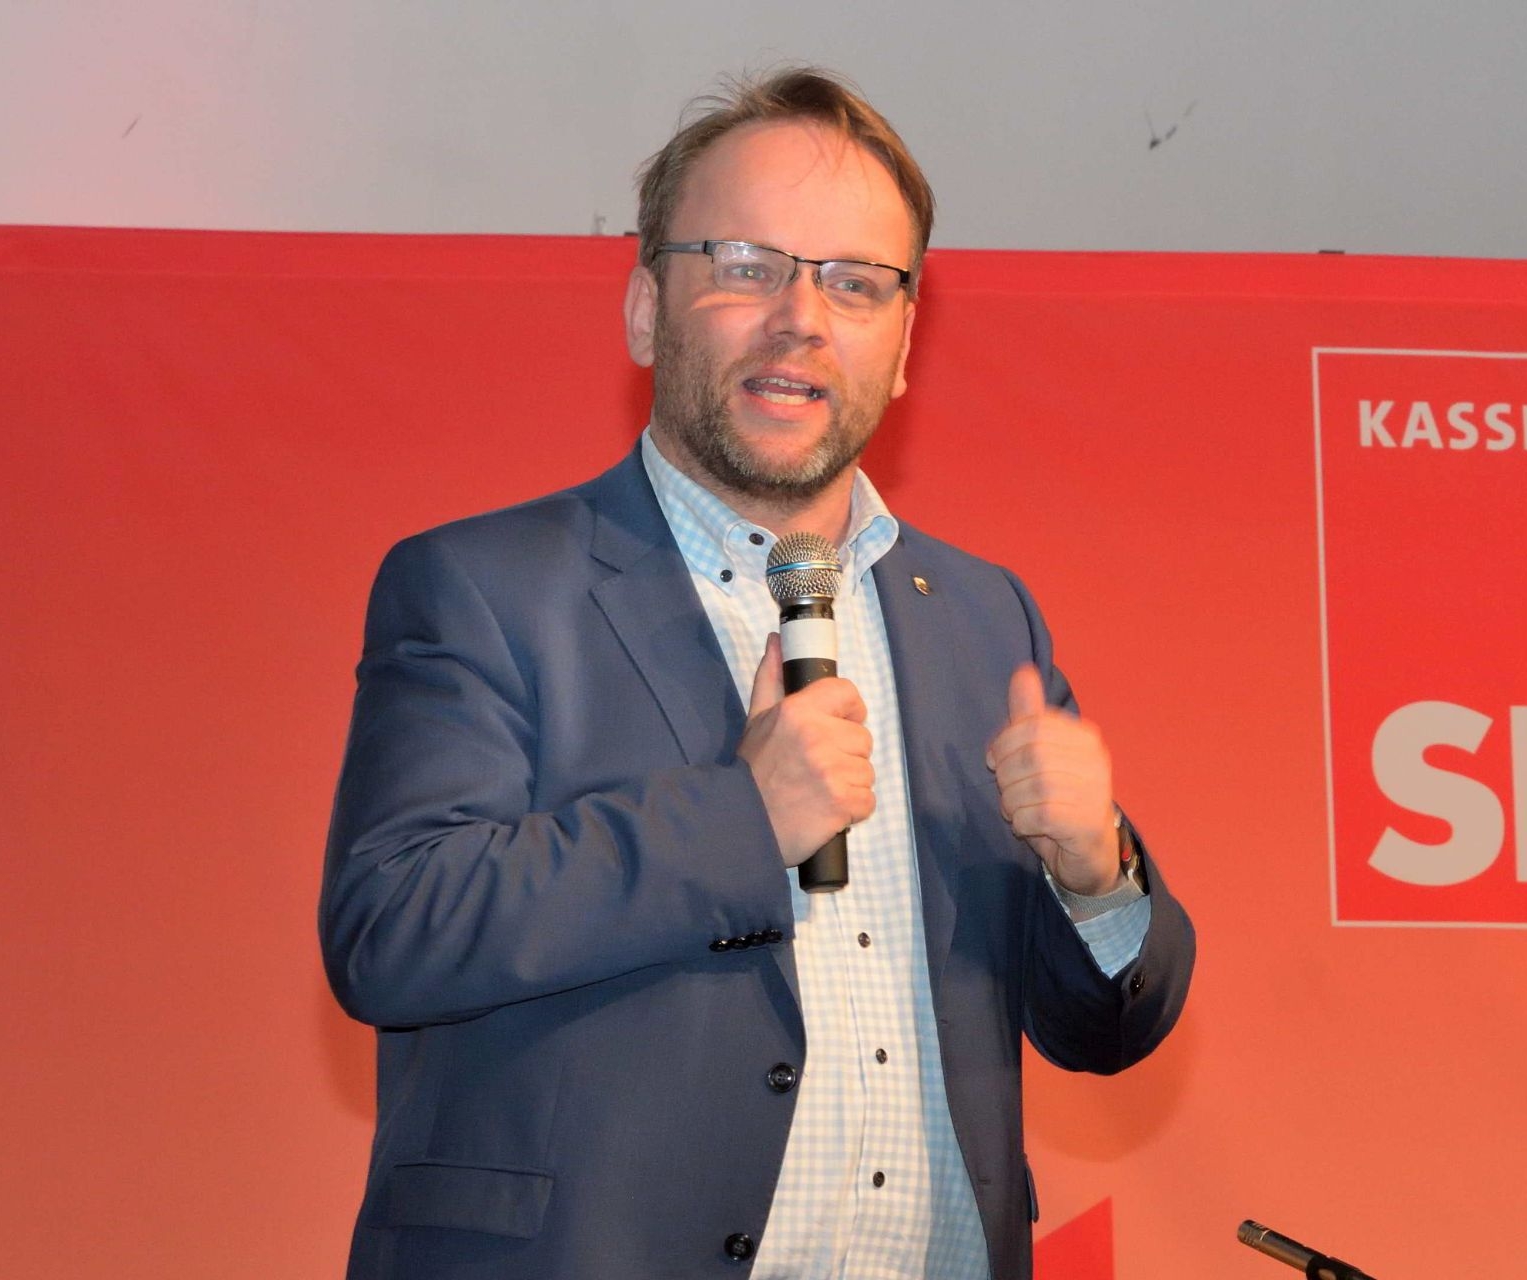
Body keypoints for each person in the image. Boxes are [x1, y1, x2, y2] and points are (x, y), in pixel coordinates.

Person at [320, 67, 1195, 1280]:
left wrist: (1096, 875)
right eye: (746, 265)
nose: (802, 317)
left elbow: (1105, 1028)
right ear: (646, 310)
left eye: (856, 281)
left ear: (903, 346)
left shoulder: (983, 618)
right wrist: (739, 819)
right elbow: (392, 928)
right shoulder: (486, 586)